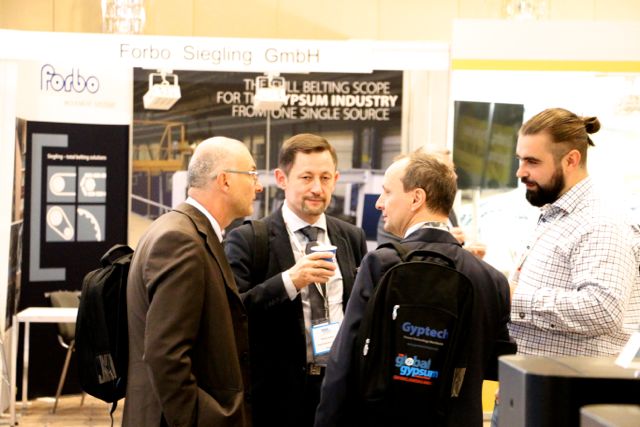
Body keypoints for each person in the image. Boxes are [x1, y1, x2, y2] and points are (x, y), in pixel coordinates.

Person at [315, 152, 515, 427]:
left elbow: (344, 359)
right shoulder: (491, 279)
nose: (379, 203)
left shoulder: (381, 264)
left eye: (387, 192)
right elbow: (496, 364)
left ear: (416, 198)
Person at [224, 133, 368, 427]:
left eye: (325, 178)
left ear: (336, 179)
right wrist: (290, 280)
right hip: (275, 396)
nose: (317, 188)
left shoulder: (352, 237)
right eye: (306, 177)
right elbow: (232, 312)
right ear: (282, 178)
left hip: (338, 390)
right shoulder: (249, 239)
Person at [124, 137, 263, 427]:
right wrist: (203, 418)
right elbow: (166, 355)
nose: (258, 186)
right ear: (225, 180)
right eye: (252, 174)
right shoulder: (181, 240)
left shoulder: (180, 230)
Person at [509, 107, 640, 356]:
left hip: (569, 381)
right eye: (520, 159)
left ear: (571, 160)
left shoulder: (600, 223)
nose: (520, 172)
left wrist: (515, 298)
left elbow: (603, 309)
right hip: (535, 375)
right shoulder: (555, 214)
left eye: (532, 162)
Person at [376, 145, 485, 258]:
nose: (455, 176)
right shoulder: (392, 217)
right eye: (446, 169)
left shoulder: (447, 209)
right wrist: (442, 242)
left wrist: (464, 253)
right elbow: (394, 259)